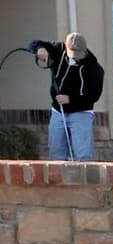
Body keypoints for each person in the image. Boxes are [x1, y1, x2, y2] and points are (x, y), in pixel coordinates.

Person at [29, 33, 104, 161]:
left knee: (83, 156)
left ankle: (82, 180)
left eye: (79, 55)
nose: (75, 59)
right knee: (56, 154)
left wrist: (70, 99)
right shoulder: (58, 49)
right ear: (66, 48)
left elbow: (94, 96)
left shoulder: (95, 69)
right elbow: (34, 42)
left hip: (81, 113)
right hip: (58, 112)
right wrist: (40, 49)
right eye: (73, 55)